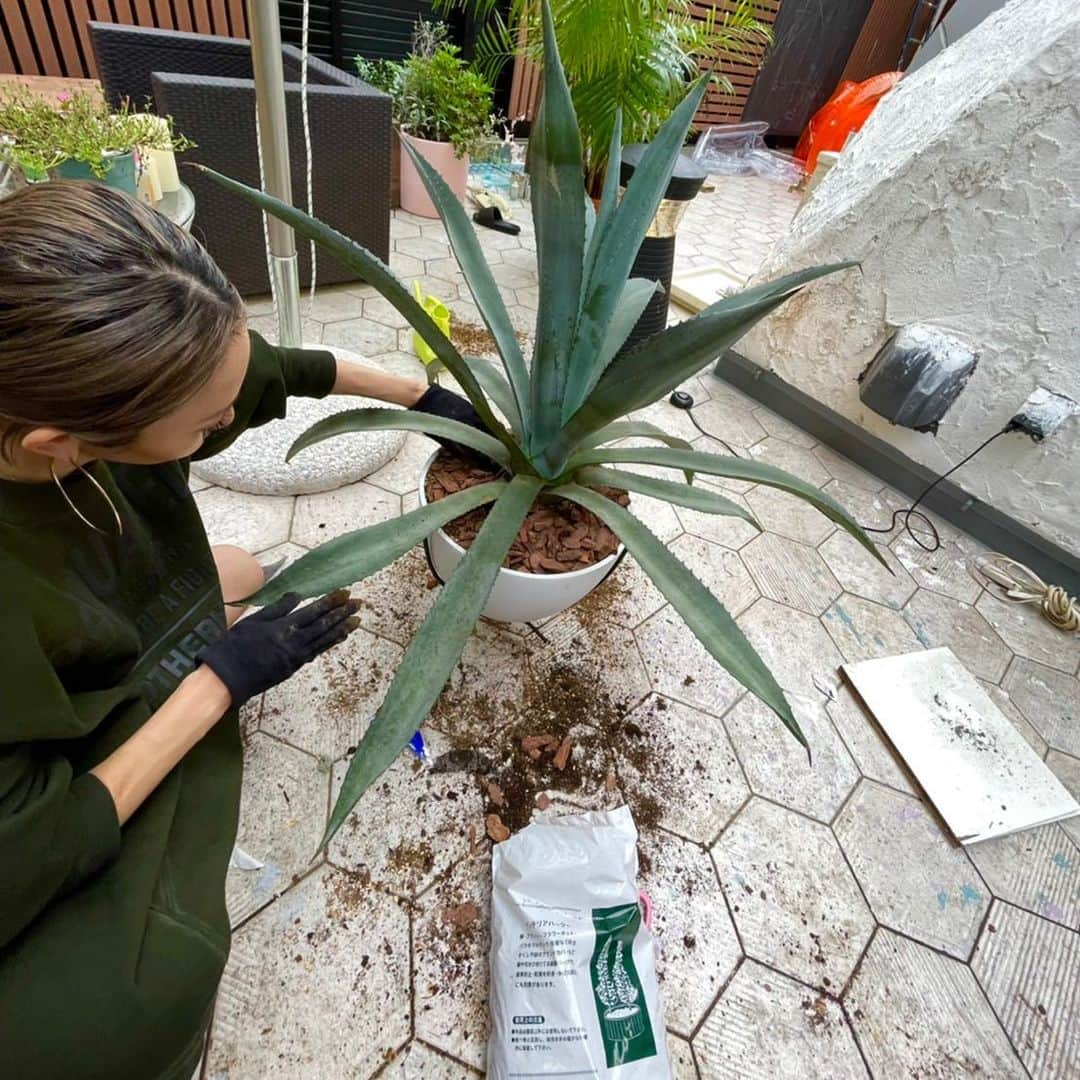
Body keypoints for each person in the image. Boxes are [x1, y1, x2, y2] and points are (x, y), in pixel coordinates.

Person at [0, 181, 482, 1078]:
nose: (229, 420)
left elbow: (276, 372)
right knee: (122, 1007)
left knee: (241, 573)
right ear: (59, 445)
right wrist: (221, 679)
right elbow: (40, 843)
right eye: (206, 427)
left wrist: (423, 396)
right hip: (32, 768)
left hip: (86, 619)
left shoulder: (68, 384)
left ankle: (179, 626)